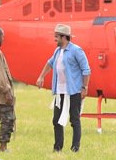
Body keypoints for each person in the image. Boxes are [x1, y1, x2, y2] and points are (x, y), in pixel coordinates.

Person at [36, 24, 91, 153]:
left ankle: (75, 148)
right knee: (56, 121)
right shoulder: (57, 51)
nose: (55, 39)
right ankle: (57, 148)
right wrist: (41, 77)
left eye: (56, 36)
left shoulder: (76, 50)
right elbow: (49, 63)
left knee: (74, 120)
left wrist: (85, 87)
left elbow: (86, 70)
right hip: (60, 93)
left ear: (64, 37)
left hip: (74, 91)